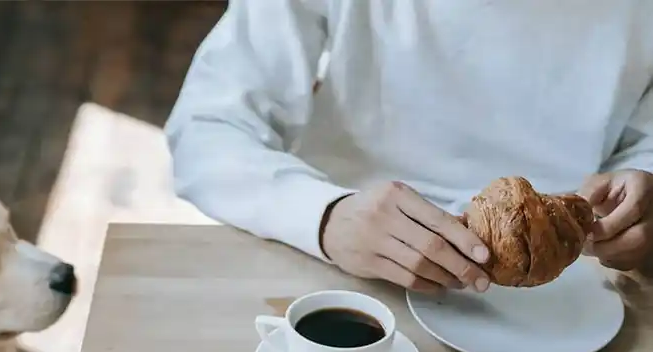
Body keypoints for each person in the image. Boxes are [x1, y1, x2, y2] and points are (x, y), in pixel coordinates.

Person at [165, 1, 653, 293]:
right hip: (338, 271)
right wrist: (326, 216)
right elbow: (207, 125)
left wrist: (642, 189)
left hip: (572, 299)